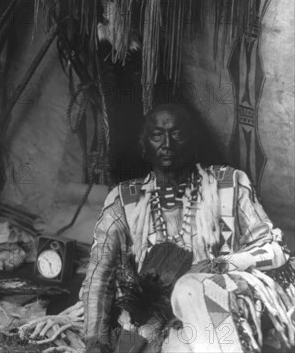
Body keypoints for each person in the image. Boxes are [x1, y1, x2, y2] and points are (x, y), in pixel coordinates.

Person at [82, 103, 292, 353]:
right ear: (143, 145)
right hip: (165, 320)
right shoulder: (125, 200)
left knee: (188, 287)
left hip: (226, 300)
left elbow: (275, 250)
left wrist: (220, 264)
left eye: (177, 133)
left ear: (192, 141)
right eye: (157, 135)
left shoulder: (229, 184)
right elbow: (99, 274)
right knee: (177, 345)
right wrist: (96, 340)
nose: (167, 143)